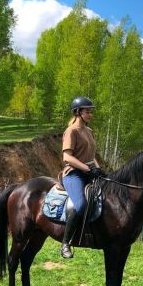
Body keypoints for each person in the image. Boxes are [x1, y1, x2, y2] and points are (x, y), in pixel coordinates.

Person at [59, 96, 106, 258]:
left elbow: (91, 156)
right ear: (78, 112)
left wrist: (98, 170)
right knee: (80, 205)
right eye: (88, 111)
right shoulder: (71, 131)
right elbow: (67, 157)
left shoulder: (89, 131)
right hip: (74, 174)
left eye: (91, 111)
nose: (90, 114)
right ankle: (66, 243)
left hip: (90, 172)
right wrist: (87, 169)